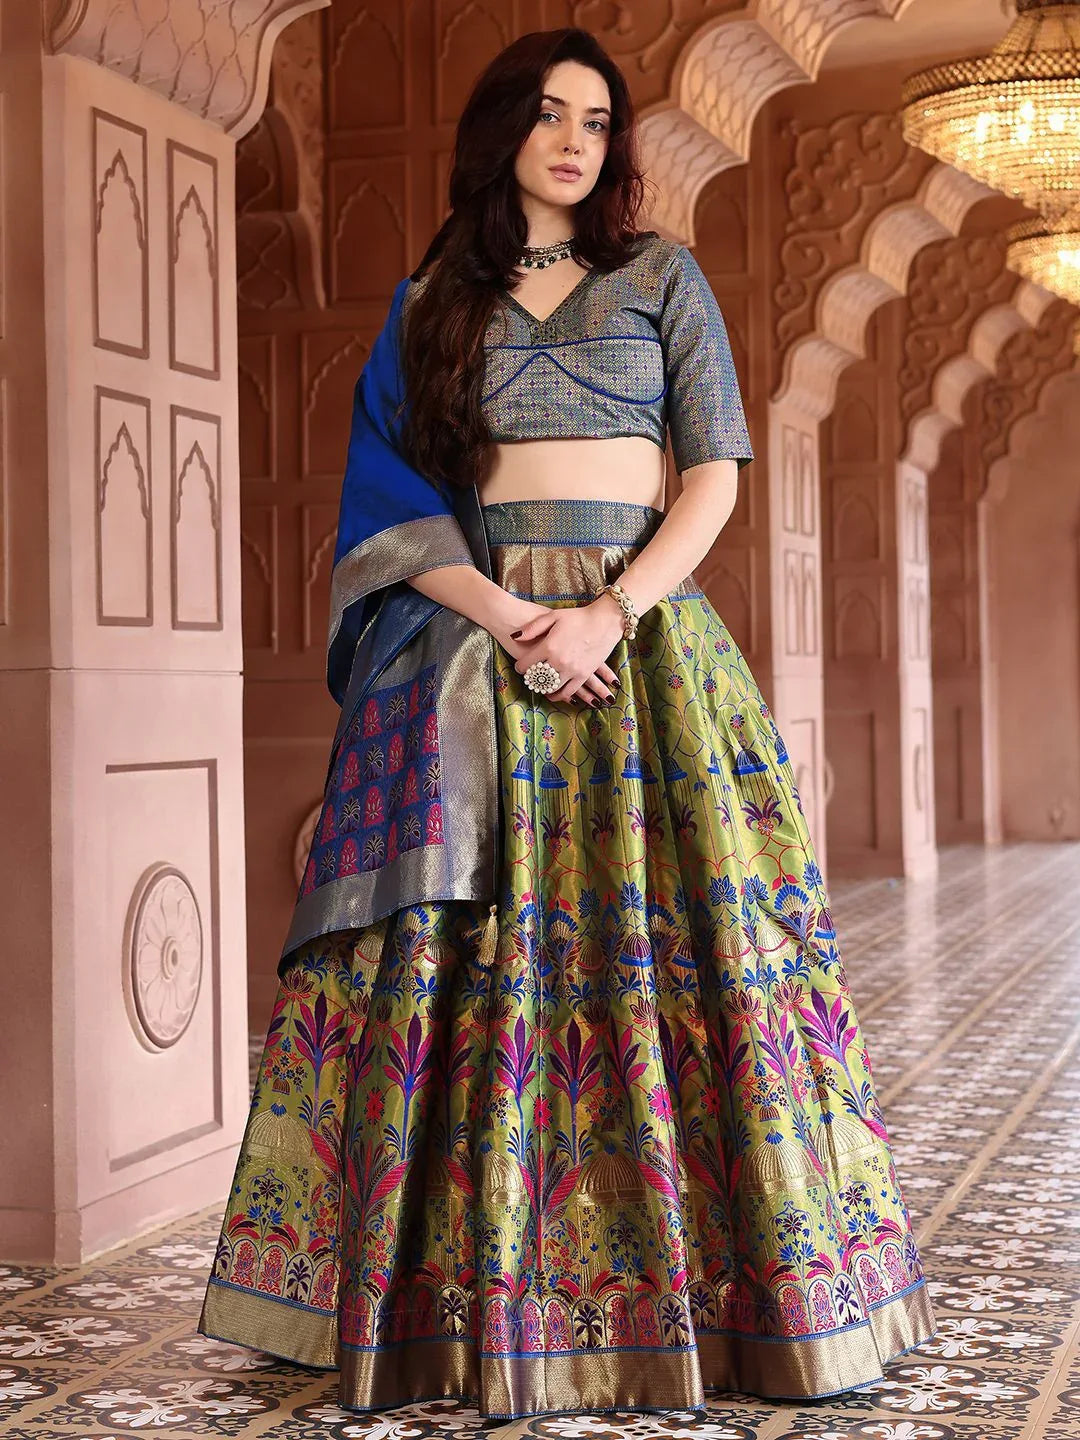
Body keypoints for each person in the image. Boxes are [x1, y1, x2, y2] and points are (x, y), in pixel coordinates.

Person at [197, 25, 936, 1423]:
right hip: (478, 656)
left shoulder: (662, 278)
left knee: (695, 956)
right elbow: (392, 506)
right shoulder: (431, 304)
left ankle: (718, 1305)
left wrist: (609, 613)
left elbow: (713, 475)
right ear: (503, 133)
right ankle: (452, 1310)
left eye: (597, 119)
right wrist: (513, 621)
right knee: (469, 979)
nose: (574, 138)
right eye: (548, 114)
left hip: (641, 642)